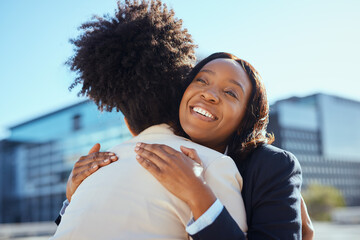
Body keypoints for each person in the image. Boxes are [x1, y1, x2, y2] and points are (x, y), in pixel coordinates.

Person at [63, 52, 316, 240]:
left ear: (244, 121)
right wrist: (74, 198)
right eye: (201, 81)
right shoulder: (157, 150)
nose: (209, 94)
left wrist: (198, 192)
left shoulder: (273, 165)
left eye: (230, 93)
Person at [51, 1, 247, 239]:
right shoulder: (213, 166)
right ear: (180, 100)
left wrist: (72, 197)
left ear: (127, 124)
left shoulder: (87, 179)